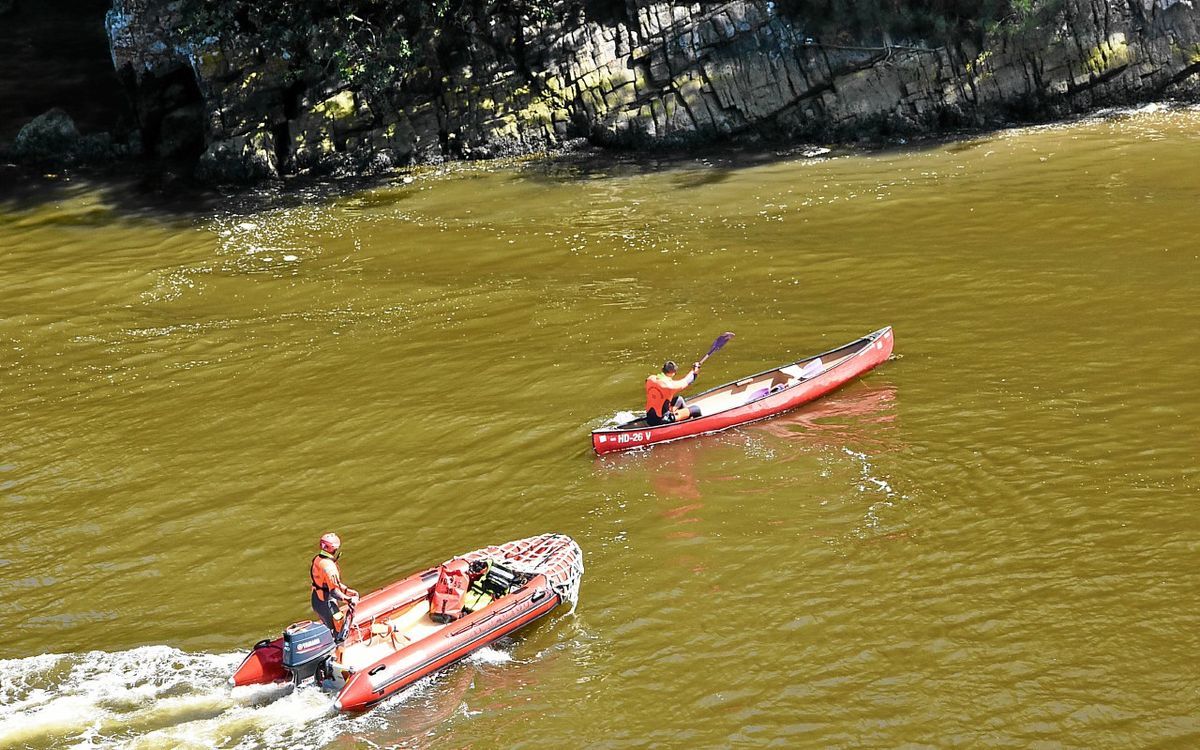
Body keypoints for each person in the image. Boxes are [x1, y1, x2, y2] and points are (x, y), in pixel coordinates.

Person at [310, 532, 359, 640]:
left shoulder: (318, 559)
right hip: (327, 603)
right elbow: (334, 591)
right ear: (334, 549)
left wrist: (348, 591)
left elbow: (327, 583)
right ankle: (338, 651)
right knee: (340, 632)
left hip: (316, 600)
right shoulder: (330, 568)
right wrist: (349, 600)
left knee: (328, 624)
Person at [645, 360, 702, 425]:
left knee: (679, 399)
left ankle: (686, 420)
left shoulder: (650, 379)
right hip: (662, 420)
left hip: (649, 418)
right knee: (696, 409)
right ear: (673, 373)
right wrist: (694, 370)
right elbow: (688, 380)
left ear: (662, 370)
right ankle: (695, 425)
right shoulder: (670, 386)